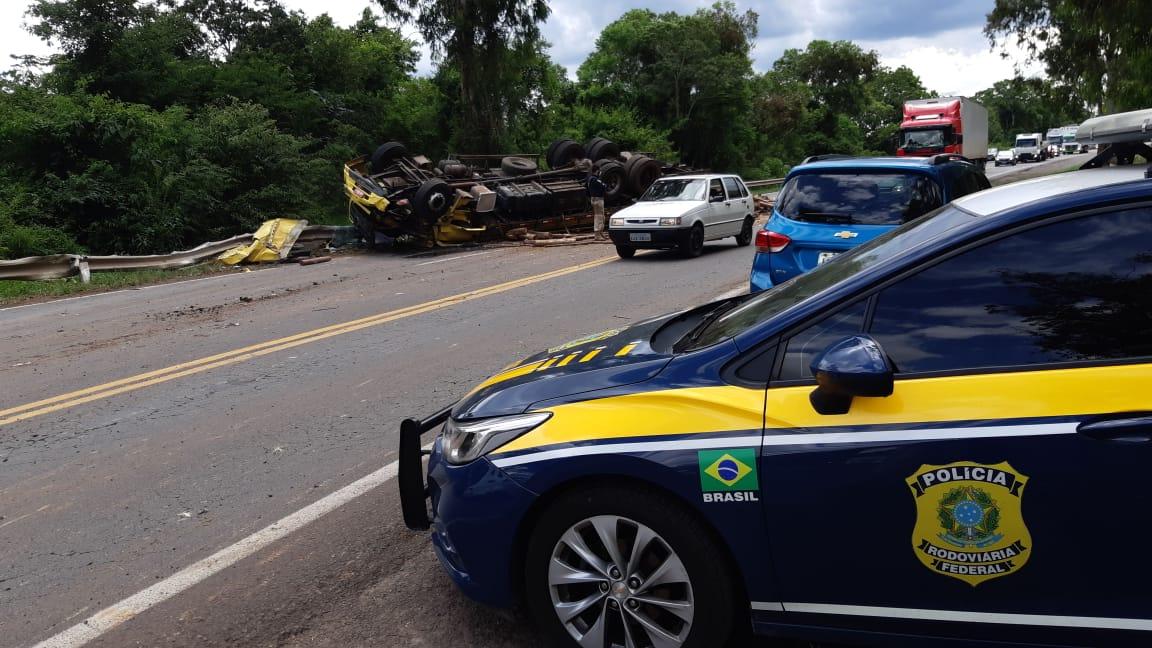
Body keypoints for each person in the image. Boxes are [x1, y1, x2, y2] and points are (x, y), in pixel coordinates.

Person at [586, 168, 607, 240]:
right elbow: (604, 186)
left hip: (593, 199)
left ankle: (600, 233)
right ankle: (597, 235)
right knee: (599, 217)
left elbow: (586, 190)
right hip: (598, 200)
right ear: (597, 171)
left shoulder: (589, 179)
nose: (600, 173)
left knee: (600, 216)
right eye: (599, 171)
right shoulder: (595, 179)